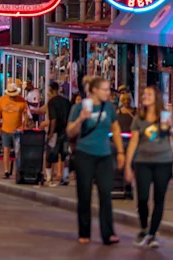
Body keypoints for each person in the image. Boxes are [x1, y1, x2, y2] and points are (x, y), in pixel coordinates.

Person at [66, 76, 124, 245]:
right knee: (84, 194)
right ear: (94, 91)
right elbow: (70, 132)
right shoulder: (78, 107)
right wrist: (81, 119)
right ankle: (84, 232)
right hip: (85, 154)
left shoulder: (109, 107)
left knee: (106, 193)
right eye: (105, 89)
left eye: (108, 89)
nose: (108, 92)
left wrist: (120, 152)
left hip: (104, 155)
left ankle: (108, 233)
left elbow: (115, 128)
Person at [124, 85, 171, 248]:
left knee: (159, 198)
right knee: (142, 198)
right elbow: (133, 142)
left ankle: (152, 233)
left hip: (163, 162)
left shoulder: (164, 116)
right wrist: (128, 166)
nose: (145, 96)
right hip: (143, 162)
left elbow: (165, 138)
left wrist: (168, 126)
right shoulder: (139, 118)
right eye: (144, 94)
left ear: (156, 98)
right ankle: (144, 227)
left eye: (149, 94)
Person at [0, 82, 30, 179]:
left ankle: (18, 170)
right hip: (5, 129)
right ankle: (6, 171)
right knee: (6, 150)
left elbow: (25, 113)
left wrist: (26, 125)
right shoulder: (2, 100)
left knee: (18, 151)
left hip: (18, 129)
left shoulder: (21, 100)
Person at [44, 81, 72, 186]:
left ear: (51, 89)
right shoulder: (66, 101)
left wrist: (50, 133)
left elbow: (53, 119)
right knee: (65, 155)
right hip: (66, 131)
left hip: (55, 132)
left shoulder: (51, 102)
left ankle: (49, 177)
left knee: (50, 155)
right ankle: (65, 177)